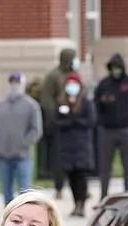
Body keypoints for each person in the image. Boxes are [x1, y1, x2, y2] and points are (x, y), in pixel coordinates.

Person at [95, 54, 128, 198]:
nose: (116, 70)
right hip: (107, 131)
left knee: (127, 166)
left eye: (118, 67)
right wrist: (101, 122)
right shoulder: (103, 85)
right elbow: (97, 106)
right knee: (105, 167)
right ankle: (103, 195)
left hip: (125, 130)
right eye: (113, 67)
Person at [0, 73, 43, 205]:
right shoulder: (0, 106)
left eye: (18, 82)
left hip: (23, 156)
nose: (14, 85)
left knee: (25, 193)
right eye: (12, 82)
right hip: (4, 156)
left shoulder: (31, 106)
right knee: (6, 192)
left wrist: (24, 143)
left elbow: (36, 130)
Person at [54, 74, 96, 217]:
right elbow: (57, 122)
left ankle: (81, 204)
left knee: (81, 176)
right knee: (71, 177)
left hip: (81, 145)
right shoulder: (62, 103)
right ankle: (75, 203)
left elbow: (91, 121)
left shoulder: (86, 103)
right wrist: (69, 121)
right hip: (67, 146)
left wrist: (74, 120)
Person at [40, 49, 79, 199]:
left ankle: (77, 187)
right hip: (58, 119)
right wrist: (53, 116)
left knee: (75, 156)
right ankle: (59, 186)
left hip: (73, 120)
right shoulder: (54, 76)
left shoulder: (73, 75)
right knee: (59, 156)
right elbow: (47, 98)